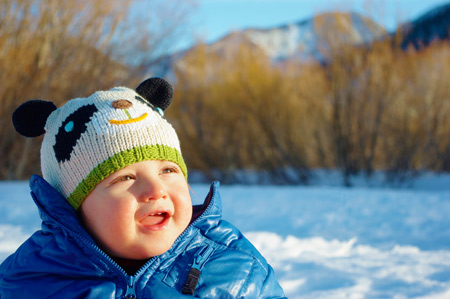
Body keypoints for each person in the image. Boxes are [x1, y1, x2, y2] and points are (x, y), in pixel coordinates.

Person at [0, 77, 286, 298]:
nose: (156, 189)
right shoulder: (30, 280)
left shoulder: (235, 270)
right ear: (73, 208)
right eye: (125, 178)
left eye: (168, 170)